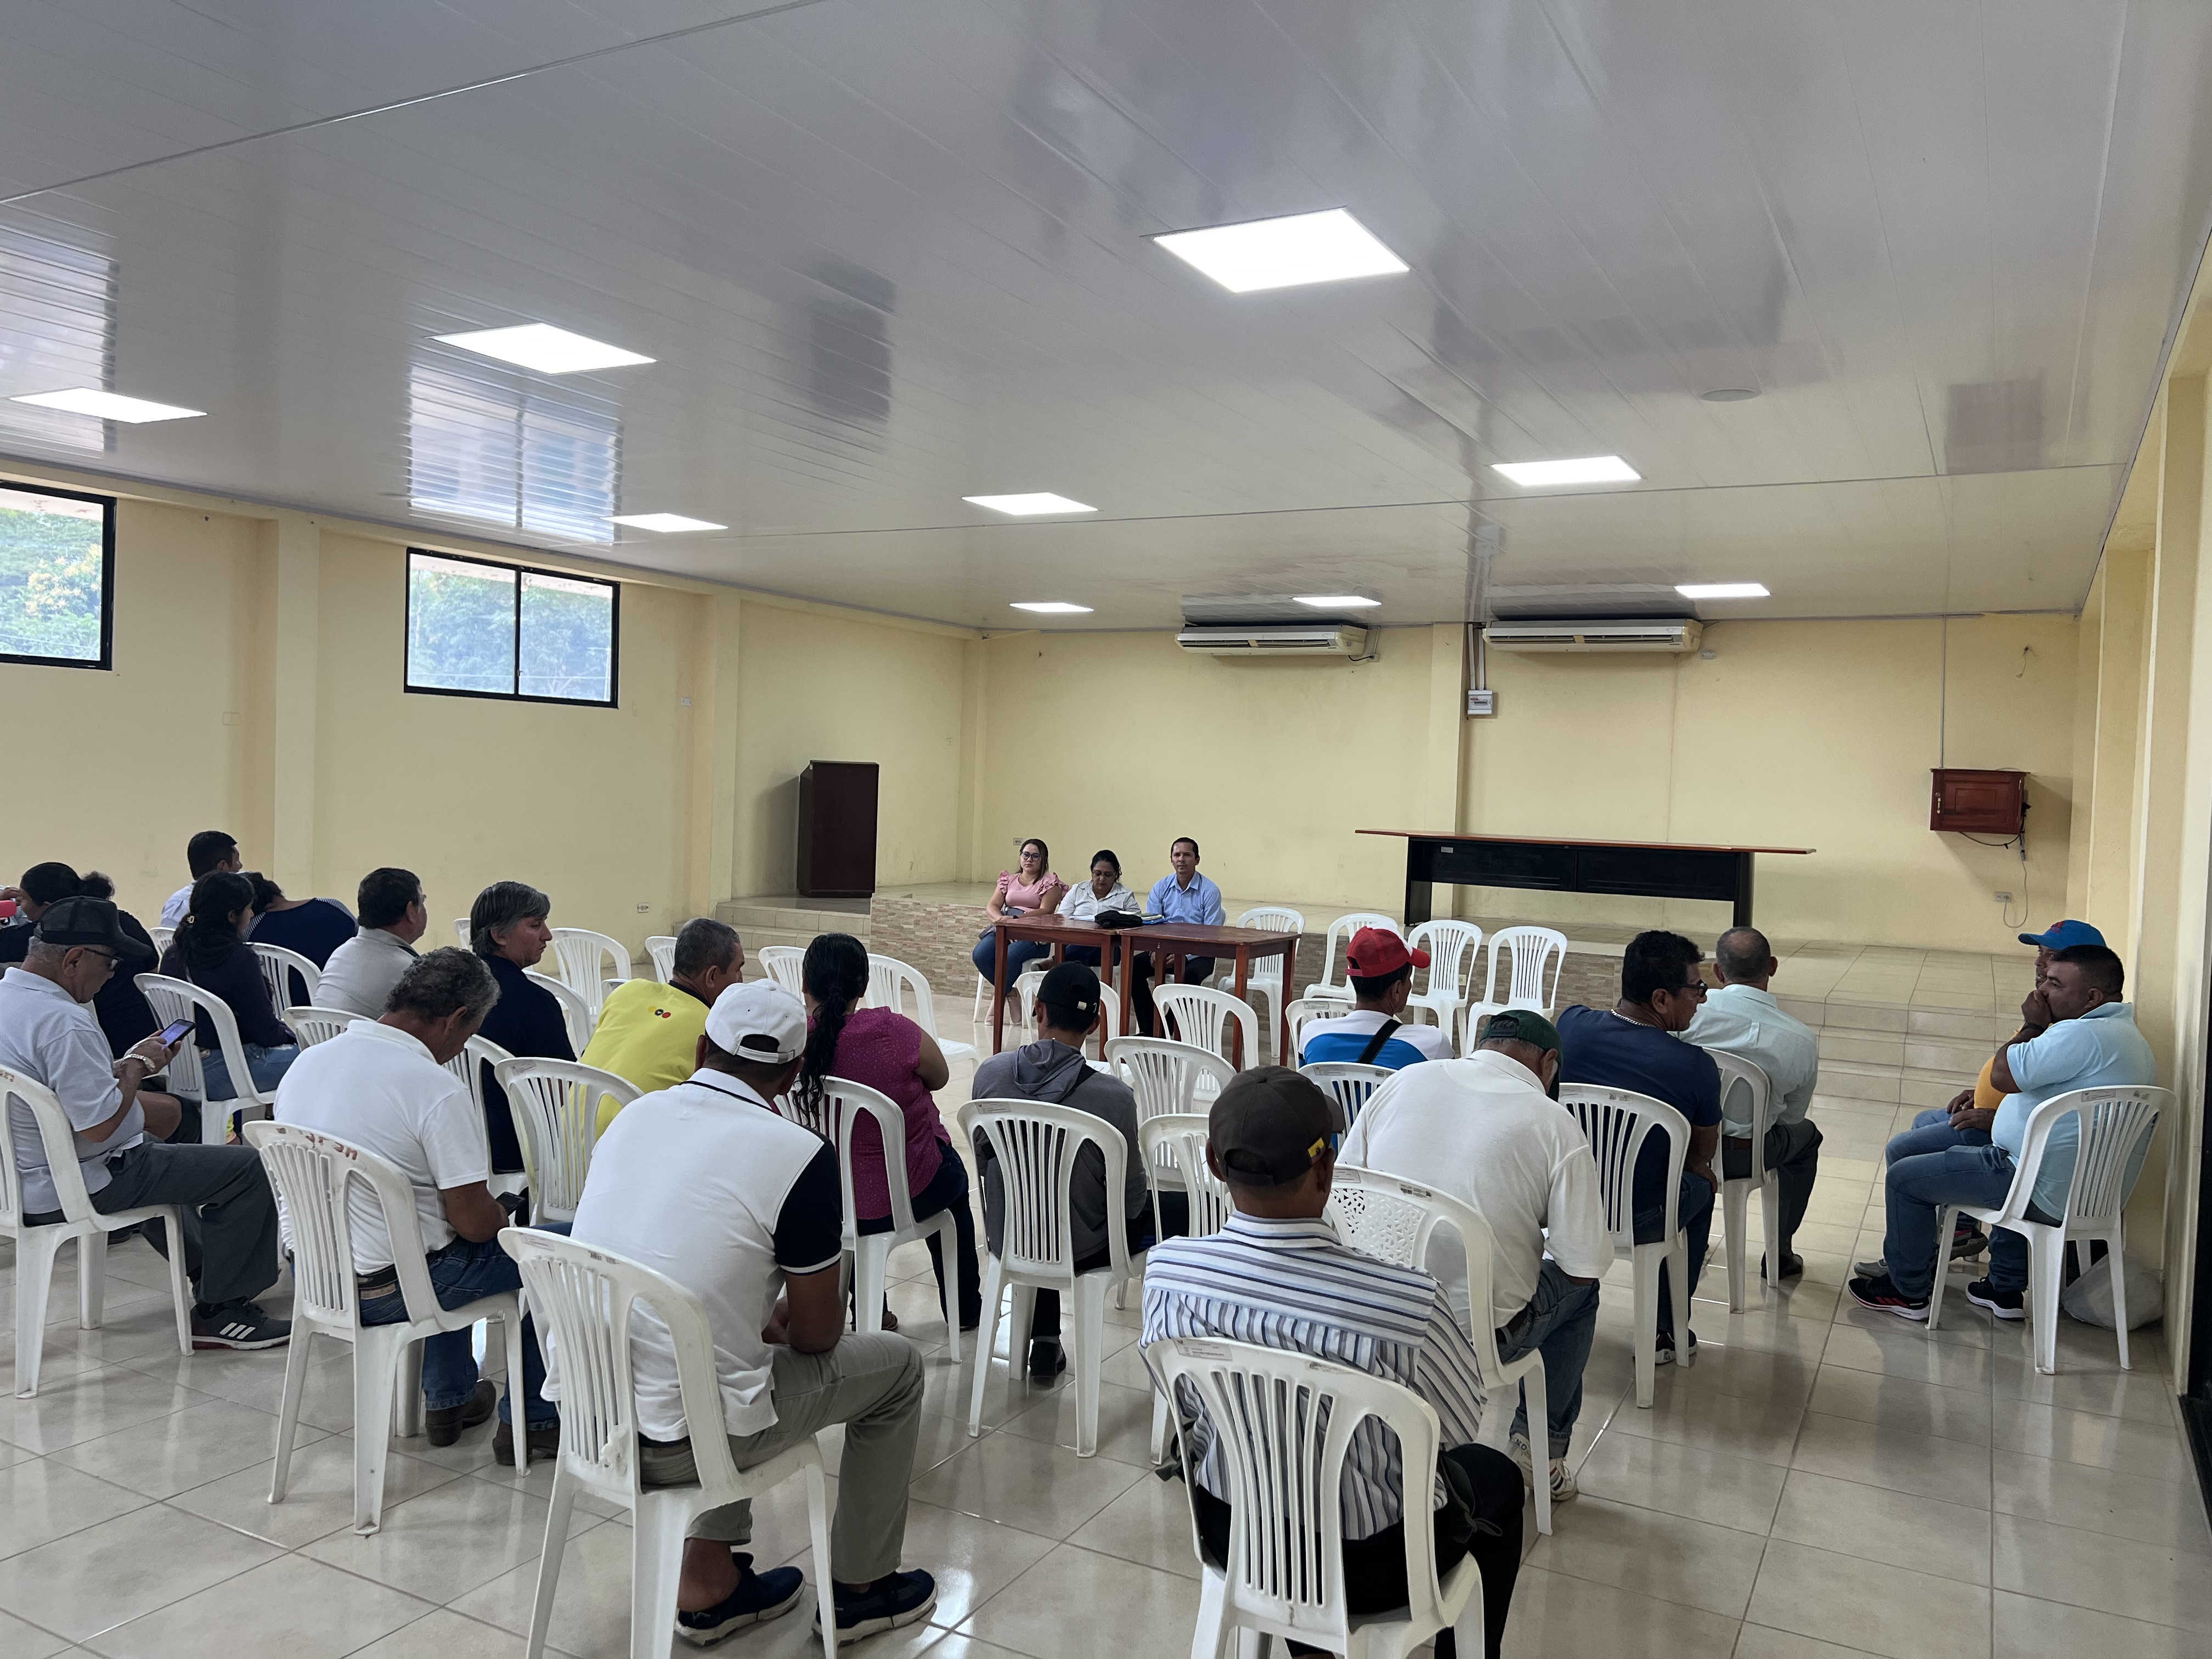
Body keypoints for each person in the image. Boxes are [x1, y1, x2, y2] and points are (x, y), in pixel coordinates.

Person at [561, 980, 938, 1645]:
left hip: (591, 1413)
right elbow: (817, 1337)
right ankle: (863, 1590)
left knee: (730, 1355)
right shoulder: (798, 1154)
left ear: (700, 1049)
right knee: (898, 1369)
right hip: (682, 1443)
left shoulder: (635, 1116)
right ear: (793, 1075)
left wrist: (755, 1315)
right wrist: (784, 1316)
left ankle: (710, 1578)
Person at [1141, 1069, 1522, 1659]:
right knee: (1497, 1476)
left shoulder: (1169, 1273)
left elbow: (1185, 1405)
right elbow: (1452, 1431)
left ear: (1215, 1164)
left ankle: (1304, 1638)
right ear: (1325, 1169)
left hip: (1233, 1533)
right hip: (1370, 1566)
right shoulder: (1408, 1304)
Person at [275, 948, 558, 1460]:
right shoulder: (435, 1089)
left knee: (429, 1232)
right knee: (561, 1252)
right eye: (469, 1033)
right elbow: (474, 1225)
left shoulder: (308, 1063)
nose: (462, 1047)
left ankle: (451, 1399)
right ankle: (534, 1418)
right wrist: (500, 1214)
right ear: (456, 1018)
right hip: (391, 1289)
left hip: (315, 1275)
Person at [1340, 1010, 1611, 1506]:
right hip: (1474, 1341)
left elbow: (1346, 1191)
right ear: (1549, 1063)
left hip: (1374, 1313)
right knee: (1584, 1293)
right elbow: (1582, 1264)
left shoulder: (1403, 1082)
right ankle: (1539, 1451)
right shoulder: (1554, 1123)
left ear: (1482, 1044)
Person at [0, 895, 289, 1348]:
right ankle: (223, 1311)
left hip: (14, 1181)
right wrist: (137, 1066)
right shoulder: (64, 1022)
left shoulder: (10, 999)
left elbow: (57, 1089)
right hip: (73, 1182)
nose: (110, 975)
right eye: (109, 964)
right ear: (74, 960)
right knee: (249, 1169)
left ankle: (207, 1269)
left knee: (159, 1152)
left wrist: (117, 1069)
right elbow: (99, 1129)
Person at [1849, 945, 2157, 1322]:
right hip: (2077, 1187)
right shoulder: (2124, 1035)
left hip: (2033, 1183)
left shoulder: (2081, 1035)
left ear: (2092, 997)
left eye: (2055, 984)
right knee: (1943, 1148)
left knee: (1903, 1179)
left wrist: (2033, 1026)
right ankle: (1999, 1286)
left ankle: (1906, 1292)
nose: (2042, 991)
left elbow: (2003, 1076)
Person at [1855, 918, 2109, 1276]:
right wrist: (1982, 1094)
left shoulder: (2066, 1025)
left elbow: (2056, 1105)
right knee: (1925, 1121)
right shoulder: (2056, 1009)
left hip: (2013, 1142)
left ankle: (1914, 1269)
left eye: (2052, 957)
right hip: (2001, 1119)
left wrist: (1998, 1116)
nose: (2040, 964)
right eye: (2040, 954)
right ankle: (1957, 1230)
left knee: (1904, 1152)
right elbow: (2027, 1077)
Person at [969, 961, 1153, 1379]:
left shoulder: (990, 1075)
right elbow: (1130, 1201)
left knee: (1038, 1199)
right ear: (1094, 1024)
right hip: (1083, 1248)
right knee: (1179, 1210)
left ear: (1038, 1009)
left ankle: (1046, 1340)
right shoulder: (1114, 1097)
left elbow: (983, 1163)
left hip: (1009, 1234)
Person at [794, 932, 981, 1335]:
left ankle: (870, 1311)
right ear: (863, 986)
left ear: (804, 983)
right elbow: (940, 1077)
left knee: (849, 1188)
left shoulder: (793, 1042)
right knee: (952, 1180)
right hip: (909, 1194)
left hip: (830, 1200)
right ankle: (965, 1309)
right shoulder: (894, 1032)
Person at [1555, 930, 1719, 1365]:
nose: (1702, 999)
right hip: (1641, 1216)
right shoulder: (1696, 1066)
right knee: (1702, 1186)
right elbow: (1700, 1156)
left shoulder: (1569, 1025)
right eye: (1697, 989)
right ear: (1662, 999)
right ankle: (1666, 1328)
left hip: (1562, 1203)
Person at [1682, 926, 1822, 1278]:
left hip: (1683, 1147)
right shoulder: (1801, 1040)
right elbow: (1791, 1119)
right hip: (1744, 1155)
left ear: (1717, 971)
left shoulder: (1688, 1013)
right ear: (1772, 966)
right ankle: (1780, 1252)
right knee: (1807, 1137)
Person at [583, 917, 746, 1133]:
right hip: (629, 1150)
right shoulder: (714, 1028)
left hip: (561, 1144)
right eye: (738, 970)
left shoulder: (627, 992)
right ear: (712, 976)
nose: (741, 980)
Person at [161, 870, 301, 1105]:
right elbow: (265, 1032)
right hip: (233, 1071)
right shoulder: (239, 959)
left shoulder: (173, 954)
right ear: (232, 916)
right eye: (249, 908)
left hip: (183, 1070)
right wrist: (290, 1036)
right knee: (322, 1060)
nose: (252, 914)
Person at [0, 864, 163, 1059]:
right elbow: (153, 967)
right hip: (147, 1027)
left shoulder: (49, 934)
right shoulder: (122, 920)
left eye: (23, 899)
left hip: (112, 1043)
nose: (19, 905)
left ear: (74, 961)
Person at [468, 880, 573, 1176]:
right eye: (535, 925)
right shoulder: (534, 1001)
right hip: (518, 1146)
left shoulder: (449, 988)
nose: (547, 935)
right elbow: (560, 1091)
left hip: (460, 1135)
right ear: (499, 935)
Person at [1297, 927, 1454, 1069]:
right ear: (1397, 990)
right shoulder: (1431, 1043)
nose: (1410, 986)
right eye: (1409, 979)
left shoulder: (1312, 1035)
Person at [1134, 836, 1225, 1034]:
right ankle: (1150, 1028)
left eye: (1187, 855)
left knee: (1190, 976)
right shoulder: (1161, 888)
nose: (1181, 859)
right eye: (1177, 855)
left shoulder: (1210, 891)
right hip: (1164, 950)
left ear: (1197, 860)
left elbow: (1212, 935)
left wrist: (1186, 954)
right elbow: (1152, 926)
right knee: (1133, 968)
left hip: (1199, 954)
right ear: (1171, 859)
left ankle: (1164, 1030)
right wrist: (1154, 951)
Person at [318, 867, 427, 1020]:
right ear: (411, 912)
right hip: (362, 1036)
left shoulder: (341, 953)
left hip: (317, 1035)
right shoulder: (411, 970)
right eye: (422, 902)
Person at [970, 838, 1066, 989]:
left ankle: (999, 998)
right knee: (981, 955)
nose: (1029, 859)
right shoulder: (1008, 880)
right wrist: (1001, 920)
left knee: (1010, 955)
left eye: (1035, 856)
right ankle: (1009, 993)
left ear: (1044, 859)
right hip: (1006, 927)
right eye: (1025, 855)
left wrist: (1016, 920)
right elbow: (992, 906)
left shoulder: (1050, 884)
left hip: (1034, 935)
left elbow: (1046, 911)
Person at [244, 873, 358, 974]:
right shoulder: (333, 905)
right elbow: (362, 936)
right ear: (274, 890)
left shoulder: (252, 929)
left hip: (284, 992)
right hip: (344, 986)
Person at [1054, 849, 1137, 968]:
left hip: (1110, 948)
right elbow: (1061, 919)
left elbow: (1136, 923)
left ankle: (1054, 961)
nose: (1102, 879)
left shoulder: (1125, 895)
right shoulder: (1078, 890)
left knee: (1094, 943)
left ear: (1116, 875)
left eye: (1108, 875)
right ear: (1092, 872)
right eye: (1098, 874)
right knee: (1081, 958)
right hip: (1076, 942)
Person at [160, 829, 240, 929]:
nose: (240, 866)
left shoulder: (174, 902)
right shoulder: (221, 906)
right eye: (237, 861)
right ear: (222, 866)